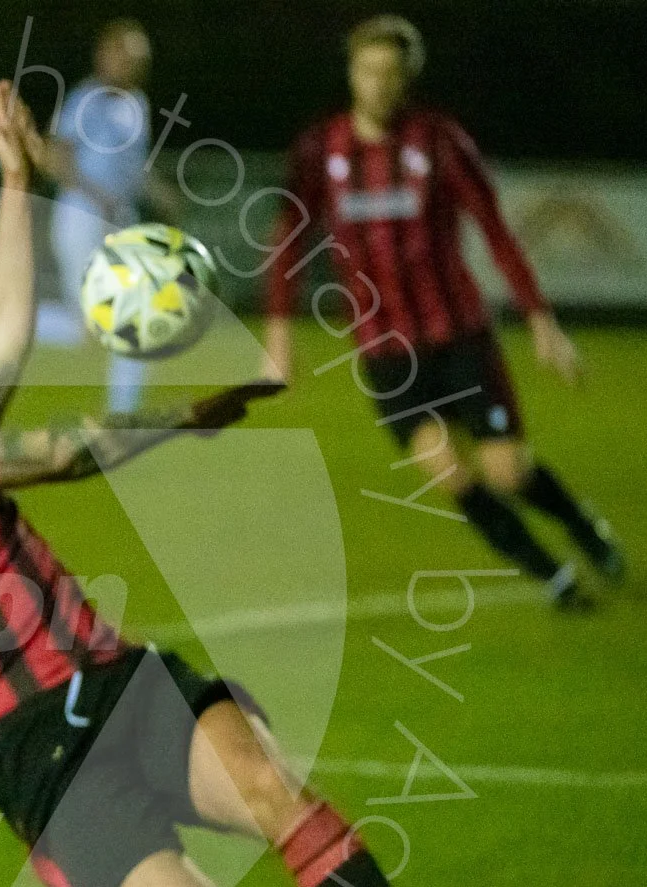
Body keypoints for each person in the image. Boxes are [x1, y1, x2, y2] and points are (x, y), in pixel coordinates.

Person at [0, 80, 538, 887]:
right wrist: (176, 419)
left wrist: (19, 185)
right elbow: (55, 455)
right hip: (34, 750)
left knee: (274, 791)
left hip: (115, 680)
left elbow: (0, 334)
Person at [265, 14, 622, 610]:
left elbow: (496, 231)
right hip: (384, 349)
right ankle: (554, 578)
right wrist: (279, 336)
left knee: (506, 470)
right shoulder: (318, 149)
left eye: (390, 73)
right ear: (352, 73)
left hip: (458, 336)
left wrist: (541, 320)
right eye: (367, 70)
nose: (377, 83)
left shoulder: (437, 140)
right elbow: (288, 241)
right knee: (447, 470)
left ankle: (583, 527)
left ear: (408, 79)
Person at [40, 17, 182, 414]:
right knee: (91, 328)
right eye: (129, 56)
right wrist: (95, 194)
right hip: (81, 219)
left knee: (136, 314)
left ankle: (124, 413)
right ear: (106, 55)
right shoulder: (85, 99)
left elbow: (134, 171)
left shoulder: (137, 104)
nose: (137, 65)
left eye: (142, 58)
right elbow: (54, 158)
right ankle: (22, 320)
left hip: (121, 222)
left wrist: (161, 193)